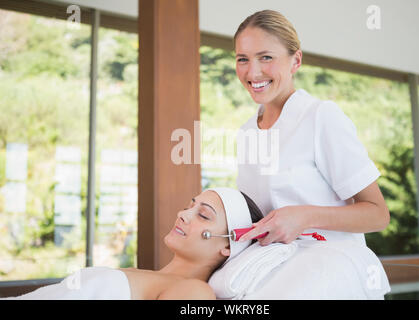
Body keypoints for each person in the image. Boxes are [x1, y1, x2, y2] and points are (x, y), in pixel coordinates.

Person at [233, 10, 390, 246]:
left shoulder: (320, 117)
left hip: (331, 271)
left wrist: (304, 216)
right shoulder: (247, 132)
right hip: (274, 272)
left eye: (266, 57)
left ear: (295, 61)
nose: (252, 72)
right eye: (242, 59)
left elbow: (378, 214)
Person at [3, 188, 264, 300]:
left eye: (203, 215)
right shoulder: (150, 276)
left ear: (228, 246)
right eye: (189, 206)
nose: (183, 214)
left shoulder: (196, 292)